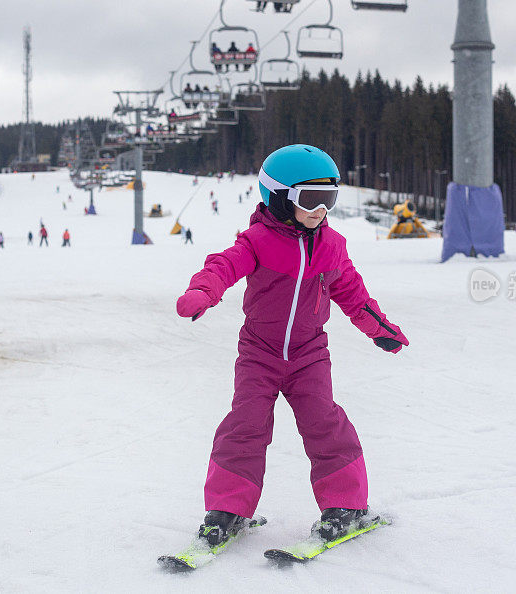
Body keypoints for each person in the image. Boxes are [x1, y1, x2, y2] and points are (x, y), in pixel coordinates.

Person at [175, 144, 409, 546]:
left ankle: (346, 506)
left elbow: (353, 292)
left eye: (329, 198)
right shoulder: (256, 241)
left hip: (309, 354)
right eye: (311, 198)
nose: (321, 210)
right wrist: (203, 290)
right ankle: (227, 511)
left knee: (325, 423)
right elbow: (223, 266)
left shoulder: (332, 245)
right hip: (259, 353)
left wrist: (379, 328)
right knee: (244, 426)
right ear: (279, 198)